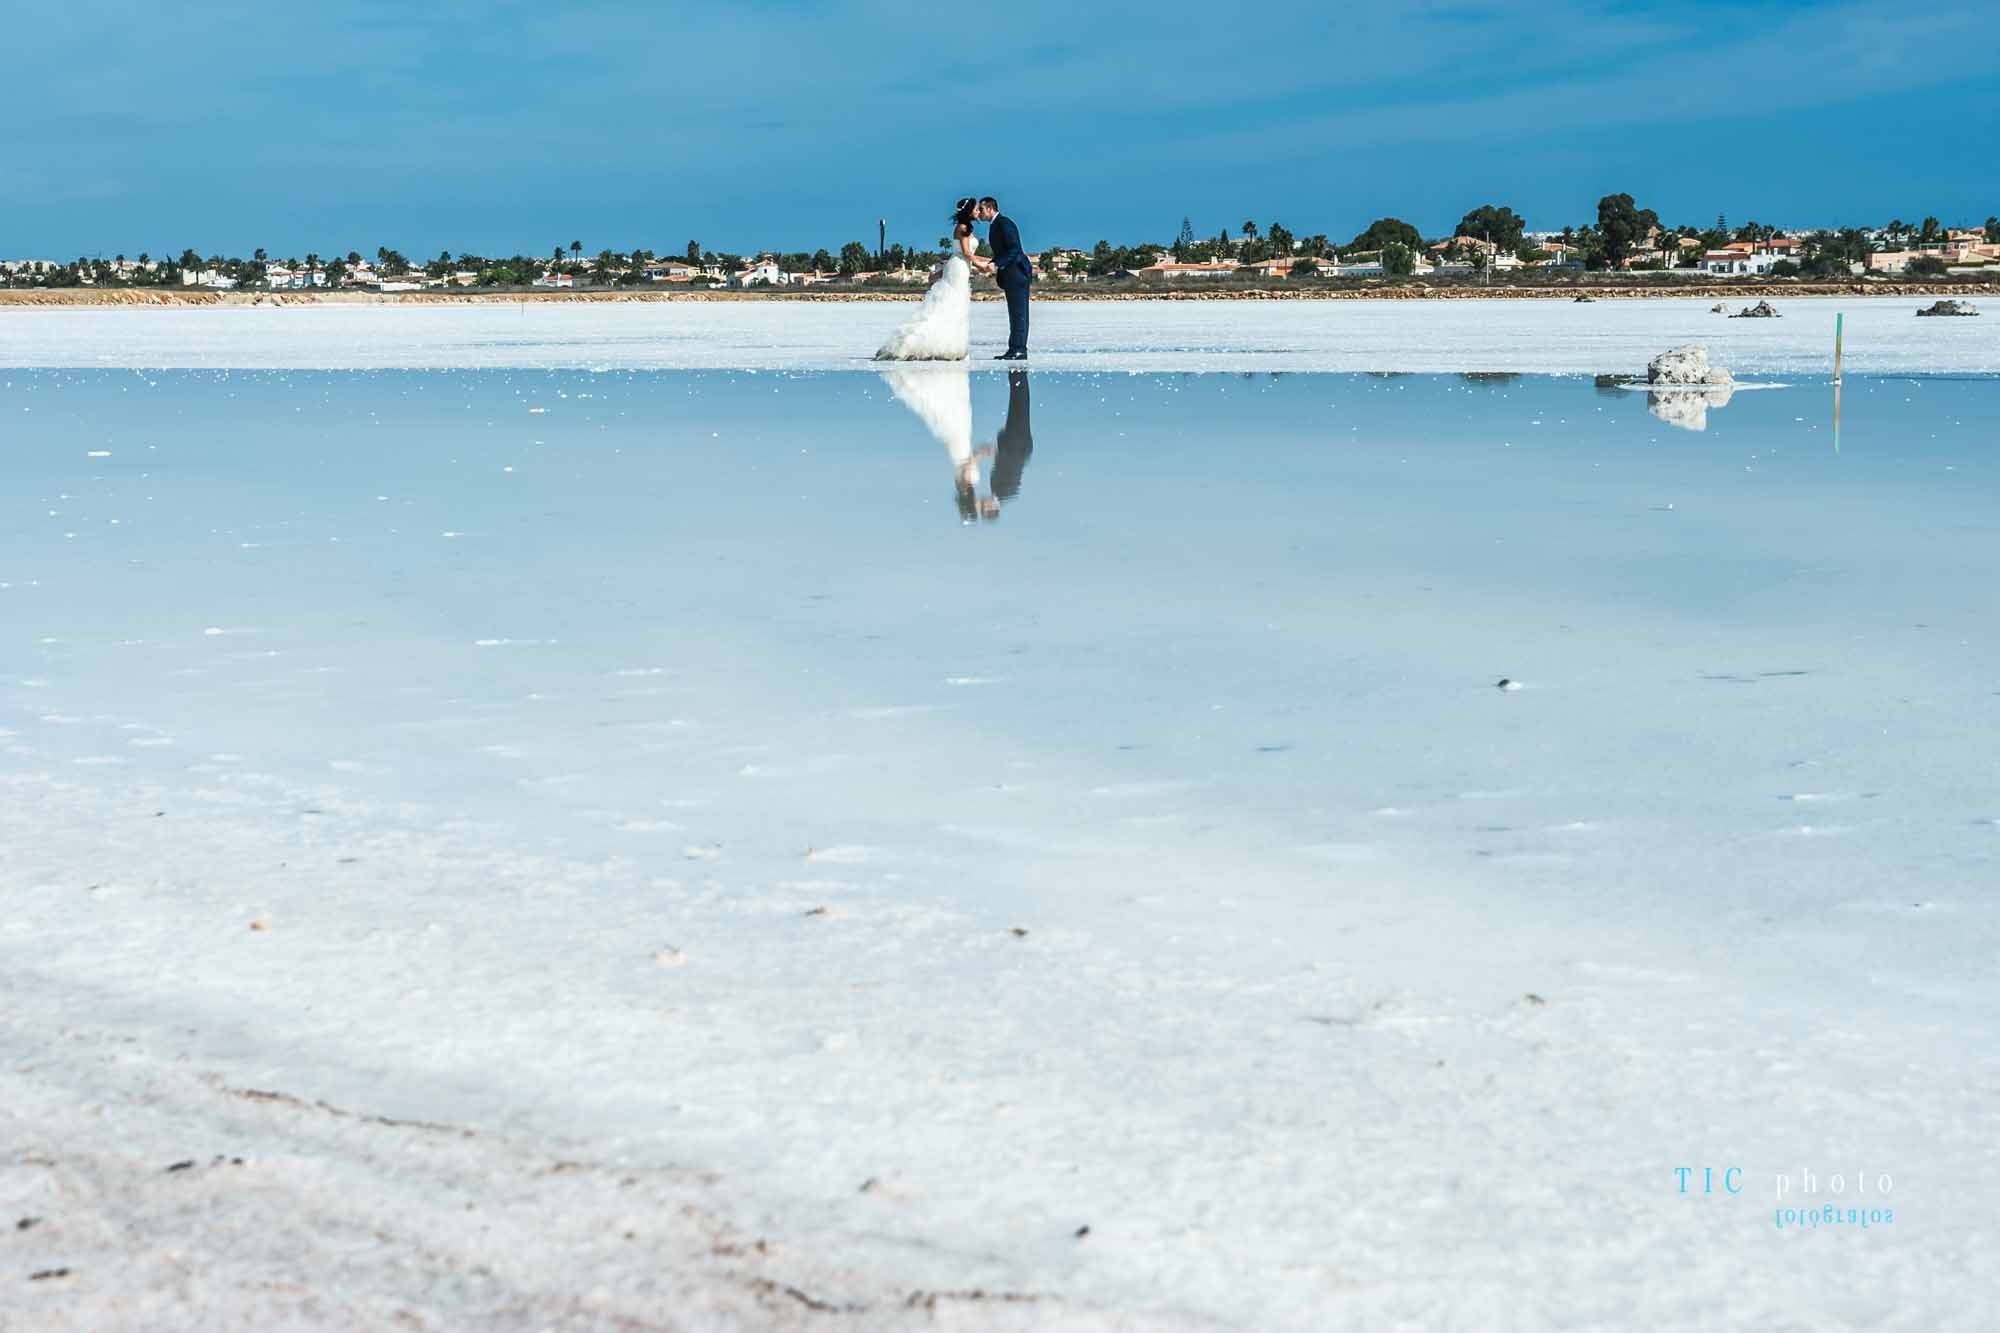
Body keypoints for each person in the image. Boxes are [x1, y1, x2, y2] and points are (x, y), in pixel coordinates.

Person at [875, 197, 978, 361]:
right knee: (950, 303)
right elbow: (967, 253)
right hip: (958, 267)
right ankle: (937, 343)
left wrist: (984, 262)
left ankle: (953, 342)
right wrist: (986, 263)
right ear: (969, 211)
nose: (978, 211)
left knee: (957, 304)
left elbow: (968, 255)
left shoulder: (966, 228)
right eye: (976, 209)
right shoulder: (963, 227)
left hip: (963, 267)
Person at [977, 196, 1031, 360]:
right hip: (1010, 275)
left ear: (990, 208)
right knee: (1014, 313)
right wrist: (993, 263)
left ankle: (1020, 349)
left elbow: (1014, 249)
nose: (979, 213)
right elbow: (1002, 252)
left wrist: (997, 264)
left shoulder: (1004, 223)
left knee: (1019, 313)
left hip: (1017, 274)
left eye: (981, 209)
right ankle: (1014, 348)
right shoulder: (995, 225)